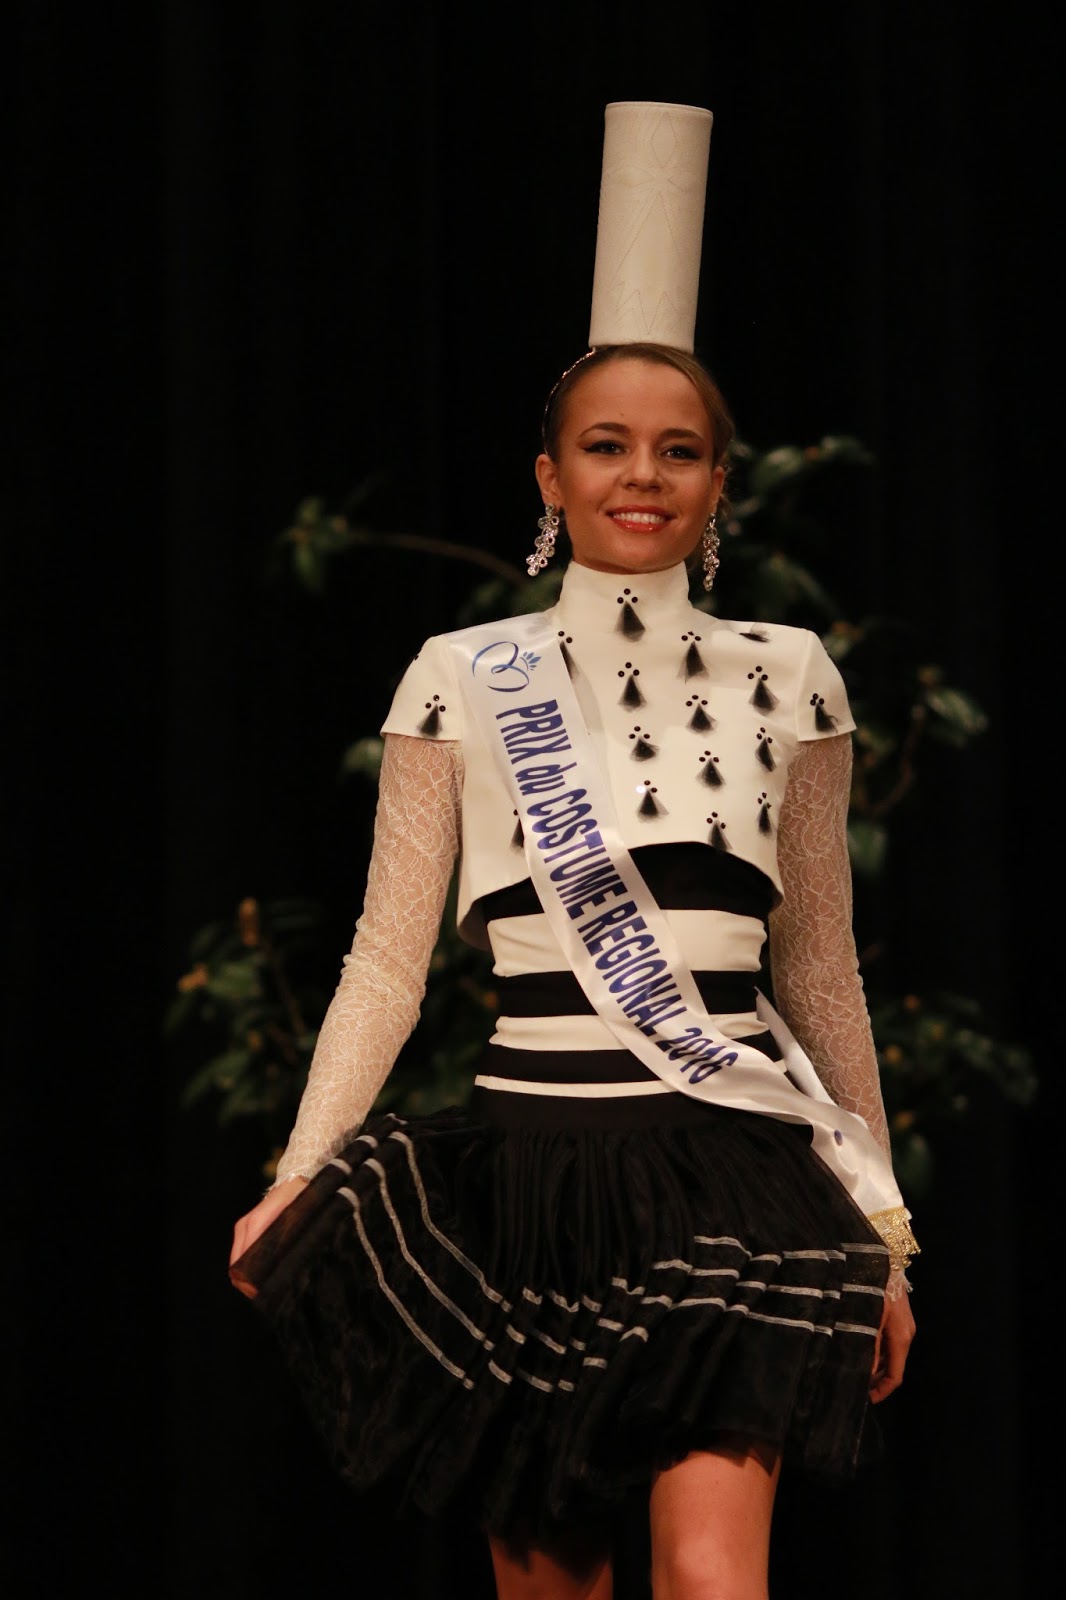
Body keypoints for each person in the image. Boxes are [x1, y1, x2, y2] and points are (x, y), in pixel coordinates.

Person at [230, 338, 918, 1600]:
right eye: (606, 445)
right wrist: (296, 1170)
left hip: (735, 1175)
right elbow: (388, 962)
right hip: (527, 1181)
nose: (640, 475)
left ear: (720, 483)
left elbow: (820, 971)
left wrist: (879, 1223)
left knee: (714, 1573)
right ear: (549, 475)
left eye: (678, 448)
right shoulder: (462, 675)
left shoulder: (790, 675)